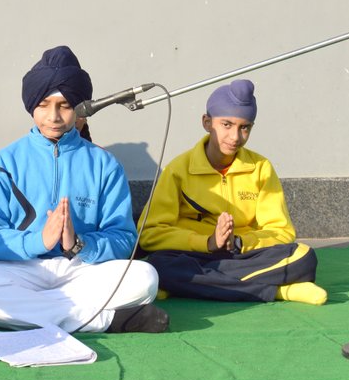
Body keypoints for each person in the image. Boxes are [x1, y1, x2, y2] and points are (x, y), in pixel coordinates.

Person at [0, 46, 167, 333]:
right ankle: (106, 320)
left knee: (145, 277)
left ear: (78, 108)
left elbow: (123, 238)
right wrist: (38, 241)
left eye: (64, 105)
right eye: (43, 104)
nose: (53, 116)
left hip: (82, 268)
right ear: (31, 106)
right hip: (20, 269)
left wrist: (78, 244)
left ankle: (13, 316)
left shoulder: (104, 164)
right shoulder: (5, 162)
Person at [138, 79, 326, 305]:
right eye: (226, 125)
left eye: (244, 127)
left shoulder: (261, 168)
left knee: (304, 257)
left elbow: (282, 232)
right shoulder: (178, 169)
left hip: (243, 255)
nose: (235, 137)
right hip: (195, 253)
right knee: (158, 265)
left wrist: (238, 242)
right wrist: (207, 242)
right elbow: (149, 234)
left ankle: (186, 285)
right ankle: (276, 291)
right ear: (207, 122)